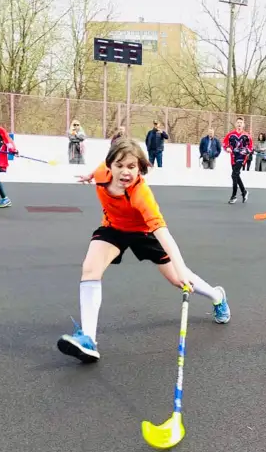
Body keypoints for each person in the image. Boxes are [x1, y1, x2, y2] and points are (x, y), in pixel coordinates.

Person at [56, 138, 231, 363]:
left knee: (178, 279)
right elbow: (99, 170)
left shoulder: (142, 195)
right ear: (110, 165)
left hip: (144, 233)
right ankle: (88, 339)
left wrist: (181, 270)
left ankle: (217, 296)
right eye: (119, 165)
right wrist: (90, 175)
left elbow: (165, 236)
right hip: (113, 229)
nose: (125, 172)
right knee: (90, 268)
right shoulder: (101, 173)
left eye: (131, 166)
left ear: (140, 168)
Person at [223, 116, 253, 204]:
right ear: (235, 124)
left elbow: (250, 147)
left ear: (243, 125)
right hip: (233, 157)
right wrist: (227, 148)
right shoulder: (230, 134)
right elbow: (225, 143)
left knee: (234, 175)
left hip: (242, 157)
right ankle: (244, 191)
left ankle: (234, 196)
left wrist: (246, 151)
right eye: (238, 123)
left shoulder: (247, 136)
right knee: (236, 175)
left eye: (241, 123)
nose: (239, 124)